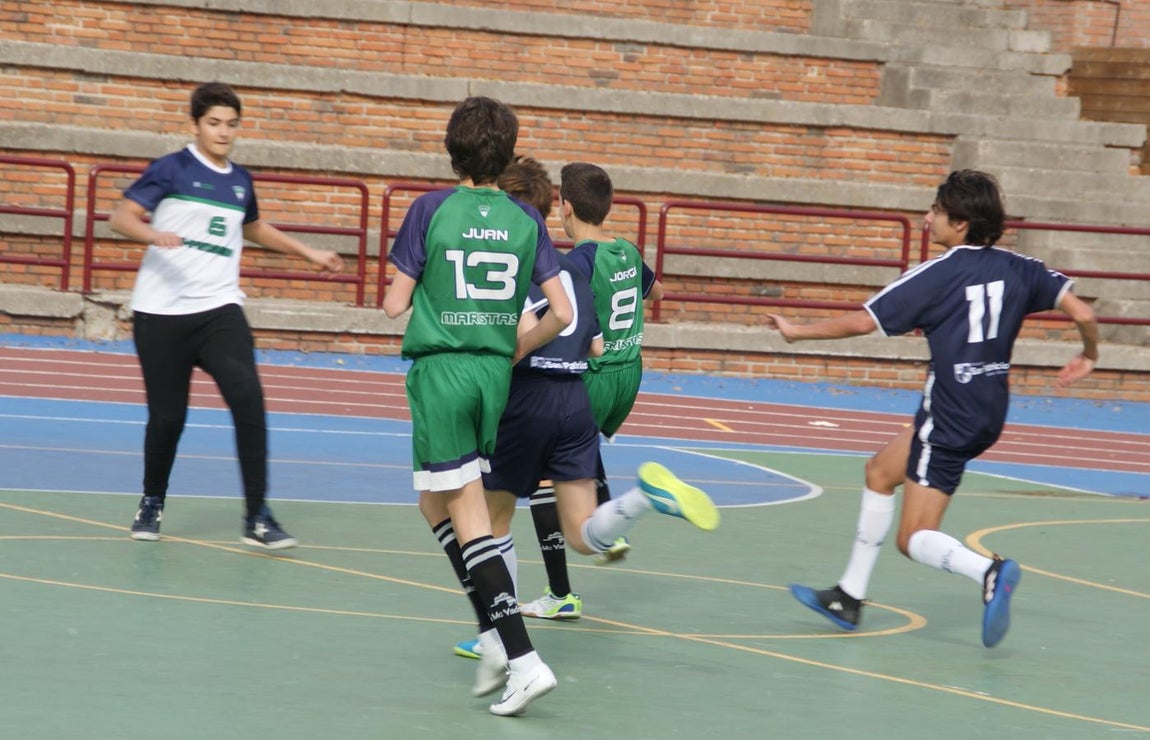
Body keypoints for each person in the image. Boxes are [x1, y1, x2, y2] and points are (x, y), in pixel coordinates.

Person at [768, 170, 1099, 648]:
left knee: (914, 538)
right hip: (990, 410)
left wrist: (797, 331)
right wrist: (1089, 355)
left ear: (960, 223)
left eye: (935, 211)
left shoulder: (938, 273)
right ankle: (848, 596)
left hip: (948, 413)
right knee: (881, 472)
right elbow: (1085, 314)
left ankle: (990, 571)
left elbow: (865, 322)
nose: (927, 219)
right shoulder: (1021, 267)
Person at [382, 97, 572, 716]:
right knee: (433, 501)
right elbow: (562, 314)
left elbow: (393, 304)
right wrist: (514, 349)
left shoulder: (430, 208)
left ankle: (521, 658)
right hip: (493, 374)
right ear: (507, 152)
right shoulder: (525, 219)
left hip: (443, 372)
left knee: (467, 513)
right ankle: (493, 633)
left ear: (451, 148)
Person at [108, 81, 344, 549]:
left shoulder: (240, 180)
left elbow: (253, 227)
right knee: (168, 418)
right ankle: (152, 500)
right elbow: (122, 217)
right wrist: (153, 235)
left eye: (231, 124)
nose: (223, 132)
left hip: (219, 308)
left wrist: (307, 252)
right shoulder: (170, 169)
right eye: (214, 123)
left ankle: (257, 516)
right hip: (161, 312)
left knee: (247, 398)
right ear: (195, 124)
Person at [518, 161, 665, 621]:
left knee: (547, 471)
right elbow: (655, 293)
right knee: (581, 443)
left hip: (597, 373)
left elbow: (572, 316)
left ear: (564, 206)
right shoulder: (624, 248)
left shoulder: (578, 260)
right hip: (630, 371)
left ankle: (561, 592)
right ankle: (608, 520)